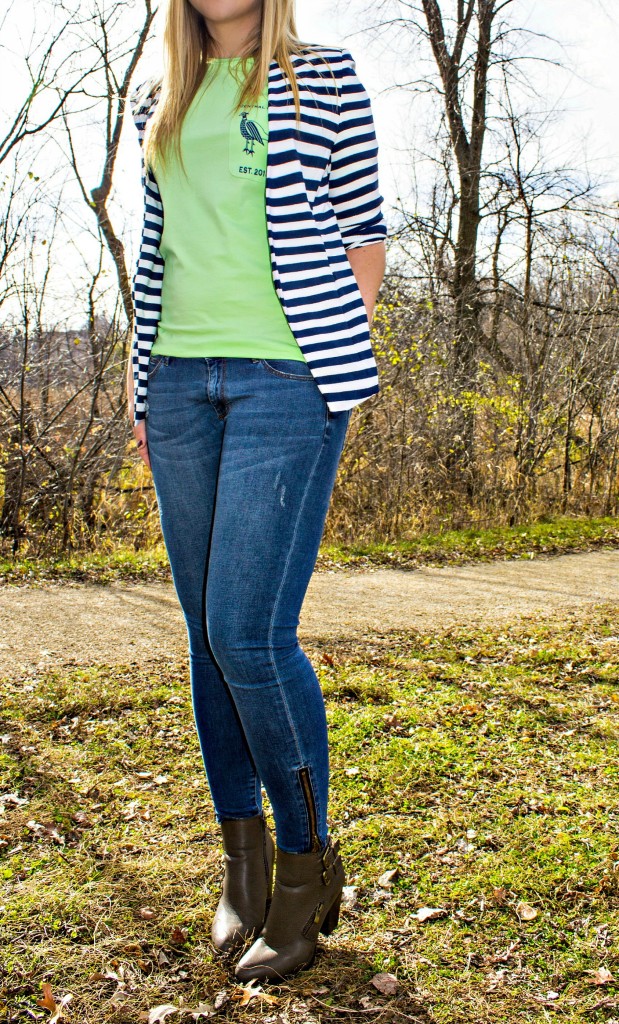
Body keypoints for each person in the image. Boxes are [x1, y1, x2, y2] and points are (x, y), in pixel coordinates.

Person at [126, 0, 386, 983]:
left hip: (288, 381)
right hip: (181, 382)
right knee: (203, 631)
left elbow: (366, 233)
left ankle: (304, 863)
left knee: (248, 631)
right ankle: (241, 864)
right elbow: (154, 252)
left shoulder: (323, 77)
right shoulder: (162, 95)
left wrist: (329, 353)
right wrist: (140, 382)